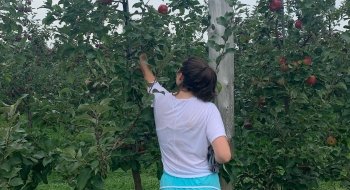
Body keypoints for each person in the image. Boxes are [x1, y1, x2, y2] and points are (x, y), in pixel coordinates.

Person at [139, 53, 232, 190]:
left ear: (181, 76)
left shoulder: (161, 100)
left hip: (171, 184)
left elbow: (150, 81)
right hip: (205, 184)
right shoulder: (208, 110)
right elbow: (224, 156)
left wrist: (143, 63)